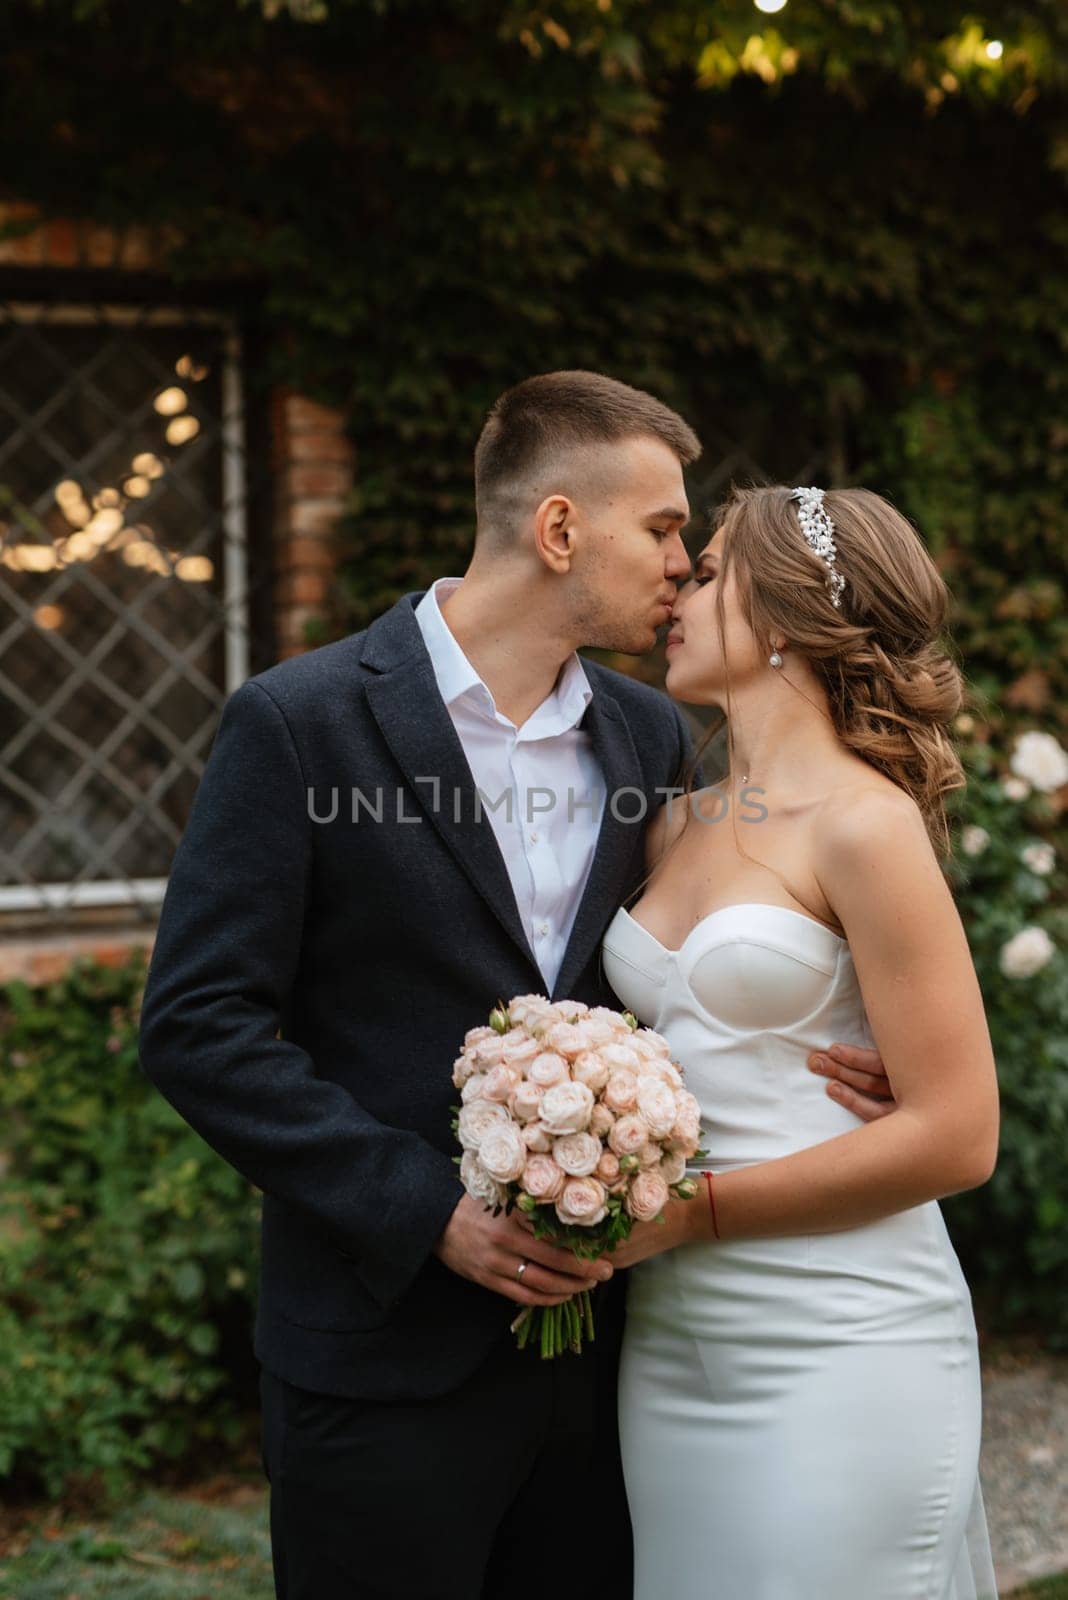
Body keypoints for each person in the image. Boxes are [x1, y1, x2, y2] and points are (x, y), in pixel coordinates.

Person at [137, 374, 893, 1600]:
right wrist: (424, 1208)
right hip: (378, 1366)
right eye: (660, 528)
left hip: (603, 1372)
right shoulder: (300, 723)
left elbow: (698, 959)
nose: (685, 559)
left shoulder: (647, 738)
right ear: (557, 531)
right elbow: (197, 1027)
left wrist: (847, 1039)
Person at [598, 483, 1000, 1599]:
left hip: (843, 1333)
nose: (680, 583)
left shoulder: (865, 825)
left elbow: (961, 1135)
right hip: (674, 1340)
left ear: (781, 615)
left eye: (713, 568)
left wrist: (696, 1211)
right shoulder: (678, 820)